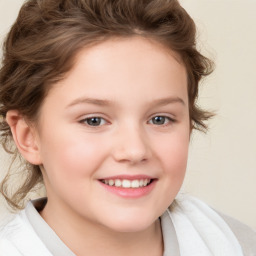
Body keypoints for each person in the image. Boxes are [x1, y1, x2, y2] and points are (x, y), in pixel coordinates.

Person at [0, 0, 255, 255]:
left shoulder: (234, 244)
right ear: (29, 136)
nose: (134, 150)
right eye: (94, 120)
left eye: (159, 119)